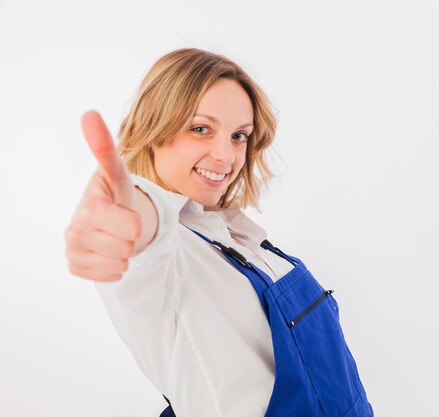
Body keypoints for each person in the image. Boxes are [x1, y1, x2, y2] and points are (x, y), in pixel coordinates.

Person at [65, 48, 373, 417]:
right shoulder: (162, 247)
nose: (226, 157)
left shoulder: (233, 234)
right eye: (201, 129)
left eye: (239, 135)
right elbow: (147, 228)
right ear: (153, 129)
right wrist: (129, 217)